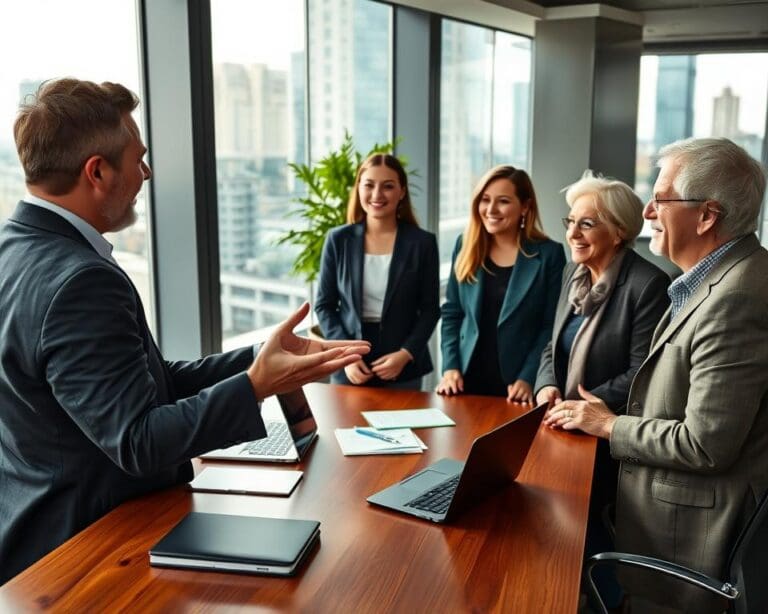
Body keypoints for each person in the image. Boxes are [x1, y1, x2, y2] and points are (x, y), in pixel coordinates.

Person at [0, 78, 369, 584]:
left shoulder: (13, 251)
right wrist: (258, 385)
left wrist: (260, 356)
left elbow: (143, 386)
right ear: (98, 171)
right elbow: (137, 439)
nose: (146, 172)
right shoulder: (80, 280)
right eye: (138, 158)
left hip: (39, 537)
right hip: (90, 550)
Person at [545, 138, 768, 613]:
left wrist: (608, 426)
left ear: (706, 216)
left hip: (687, 547)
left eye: (661, 198)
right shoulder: (711, 280)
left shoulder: (737, 298)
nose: (646, 211)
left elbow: (705, 443)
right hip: (666, 525)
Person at [535, 171, 670, 608]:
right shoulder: (574, 275)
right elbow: (549, 347)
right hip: (562, 428)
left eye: (587, 223)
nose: (573, 233)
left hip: (606, 440)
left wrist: (578, 406)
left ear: (620, 231)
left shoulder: (647, 285)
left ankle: (603, 601)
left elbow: (641, 373)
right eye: (570, 221)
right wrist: (547, 387)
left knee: (593, 538)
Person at [437, 165, 565, 401]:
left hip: (517, 386)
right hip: (465, 380)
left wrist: (529, 377)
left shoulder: (549, 254)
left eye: (503, 201)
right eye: (485, 200)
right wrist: (450, 367)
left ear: (525, 206)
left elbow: (550, 326)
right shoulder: (465, 245)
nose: (491, 209)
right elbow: (452, 313)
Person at [315, 154, 440, 390]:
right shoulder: (338, 239)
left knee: (404, 427)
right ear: (358, 188)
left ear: (402, 191)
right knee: (342, 426)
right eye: (369, 185)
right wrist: (345, 356)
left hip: (402, 365)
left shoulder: (422, 243)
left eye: (388, 186)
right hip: (351, 363)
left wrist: (406, 353)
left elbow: (430, 309)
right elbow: (324, 305)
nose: (376, 194)